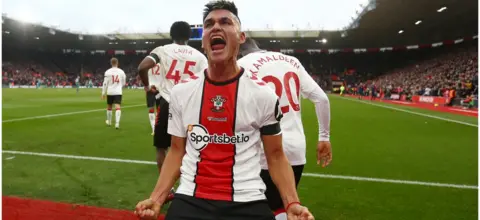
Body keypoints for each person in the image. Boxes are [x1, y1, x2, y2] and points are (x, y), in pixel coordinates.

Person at [134, 1, 314, 220]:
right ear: (203, 41)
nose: (215, 27)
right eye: (209, 24)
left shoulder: (263, 95)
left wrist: (292, 202)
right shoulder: (182, 93)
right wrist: (157, 198)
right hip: (191, 197)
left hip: (247, 198)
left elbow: (276, 156)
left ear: (241, 36)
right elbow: (176, 151)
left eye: (225, 22)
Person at [238, 38, 331, 220]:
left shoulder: (241, 66)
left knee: (253, 209)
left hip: (264, 151)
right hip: (295, 150)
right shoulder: (291, 61)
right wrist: (324, 137)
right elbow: (322, 99)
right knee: (284, 207)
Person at [136, 21, 208, 202]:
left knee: (162, 147)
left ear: (171, 34)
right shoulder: (200, 56)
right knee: (193, 148)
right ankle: (190, 188)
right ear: (189, 37)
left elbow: (142, 67)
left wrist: (146, 86)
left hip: (169, 102)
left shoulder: (163, 50)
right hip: (192, 106)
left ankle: (167, 189)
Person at [101, 57, 126, 129]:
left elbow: (105, 83)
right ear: (117, 63)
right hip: (118, 91)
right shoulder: (121, 72)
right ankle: (117, 124)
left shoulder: (107, 72)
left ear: (111, 63)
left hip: (110, 91)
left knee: (109, 106)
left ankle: (109, 122)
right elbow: (124, 83)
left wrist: (103, 93)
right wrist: (120, 86)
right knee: (118, 106)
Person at [146, 63, 162, 136]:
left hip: (150, 89)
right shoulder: (162, 65)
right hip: (159, 89)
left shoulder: (148, 65)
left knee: (151, 109)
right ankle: (159, 128)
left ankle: (154, 130)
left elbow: (144, 76)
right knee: (159, 110)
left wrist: (147, 86)